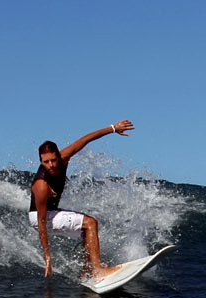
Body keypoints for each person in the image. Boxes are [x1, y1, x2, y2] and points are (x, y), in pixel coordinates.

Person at [28, 120, 135, 279]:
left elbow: (86, 139)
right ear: (41, 162)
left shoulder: (64, 158)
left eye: (53, 160)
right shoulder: (41, 185)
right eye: (46, 162)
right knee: (90, 223)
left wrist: (113, 128)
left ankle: (86, 271)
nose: (50, 165)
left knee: (86, 229)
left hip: (51, 212)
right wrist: (48, 258)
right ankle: (98, 271)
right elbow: (41, 221)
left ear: (59, 156)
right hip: (39, 217)